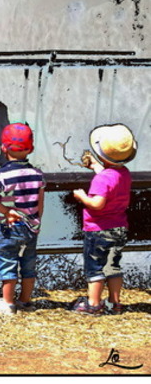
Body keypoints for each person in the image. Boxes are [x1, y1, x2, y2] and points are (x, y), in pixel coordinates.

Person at [71, 124, 136, 315]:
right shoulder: (123, 174)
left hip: (98, 230)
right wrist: (95, 166)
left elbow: (98, 203)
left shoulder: (101, 180)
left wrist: (82, 196)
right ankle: (114, 302)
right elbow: (110, 178)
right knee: (112, 266)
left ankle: (93, 304)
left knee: (95, 267)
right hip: (119, 228)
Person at [0, 123, 45, 315]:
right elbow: (40, 203)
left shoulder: (1, 175)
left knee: (7, 262)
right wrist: (36, 222)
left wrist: (6, 211)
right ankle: (25, 301)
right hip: (31, 227)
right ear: (31, 149)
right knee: (28, 264)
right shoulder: (37, 175)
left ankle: (8, 302)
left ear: (3, 148)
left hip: (8, 227)